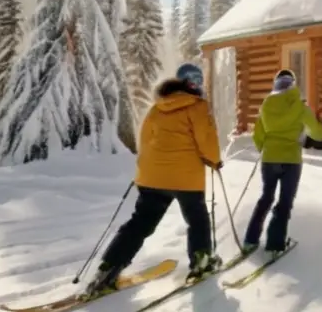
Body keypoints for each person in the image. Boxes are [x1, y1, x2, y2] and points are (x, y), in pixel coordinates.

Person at [86, 63, 223, 295]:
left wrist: (144, 171)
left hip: (152, 179)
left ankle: (108, 269)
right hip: (185, 179)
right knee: (197, 219)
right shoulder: (198, 107)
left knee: (139, 224)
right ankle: (201, 262)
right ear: (194, 84)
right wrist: (215, 161)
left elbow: (146, 142)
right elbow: (206, 140)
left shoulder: (156, 108)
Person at [243, 69, 322, 256]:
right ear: (293, 84)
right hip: (291, 160)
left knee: (266, 198)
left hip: (269, 159)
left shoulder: (266, 105)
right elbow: (315, 133)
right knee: (284, 202)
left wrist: (266, 148)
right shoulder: (300, 107)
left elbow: (258, 134)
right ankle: (275, 244)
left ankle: (250, 240)